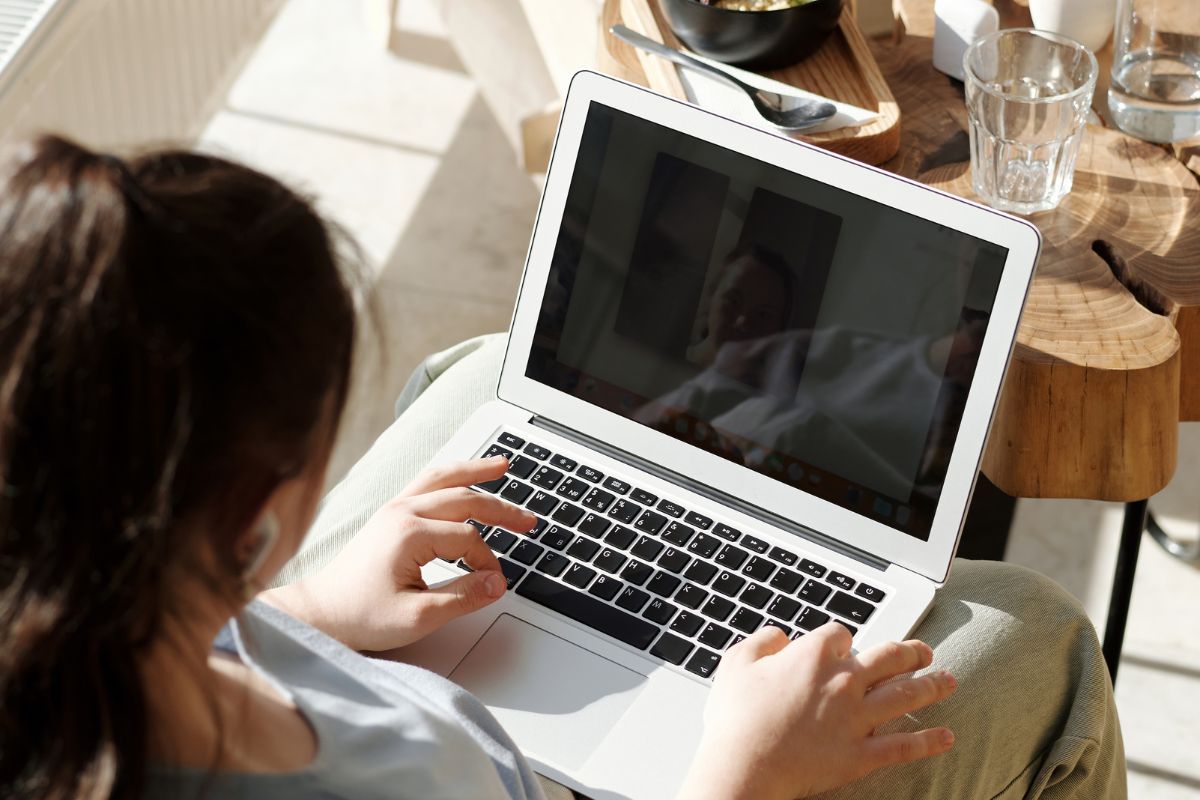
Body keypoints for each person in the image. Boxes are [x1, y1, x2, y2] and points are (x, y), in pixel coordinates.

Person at [0, 137, 1126, 800]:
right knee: (1044, 639)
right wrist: (740, 773)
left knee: (490, 367)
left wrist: (297, 613)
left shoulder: (83, 655)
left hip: (340, 649)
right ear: (256, 508)